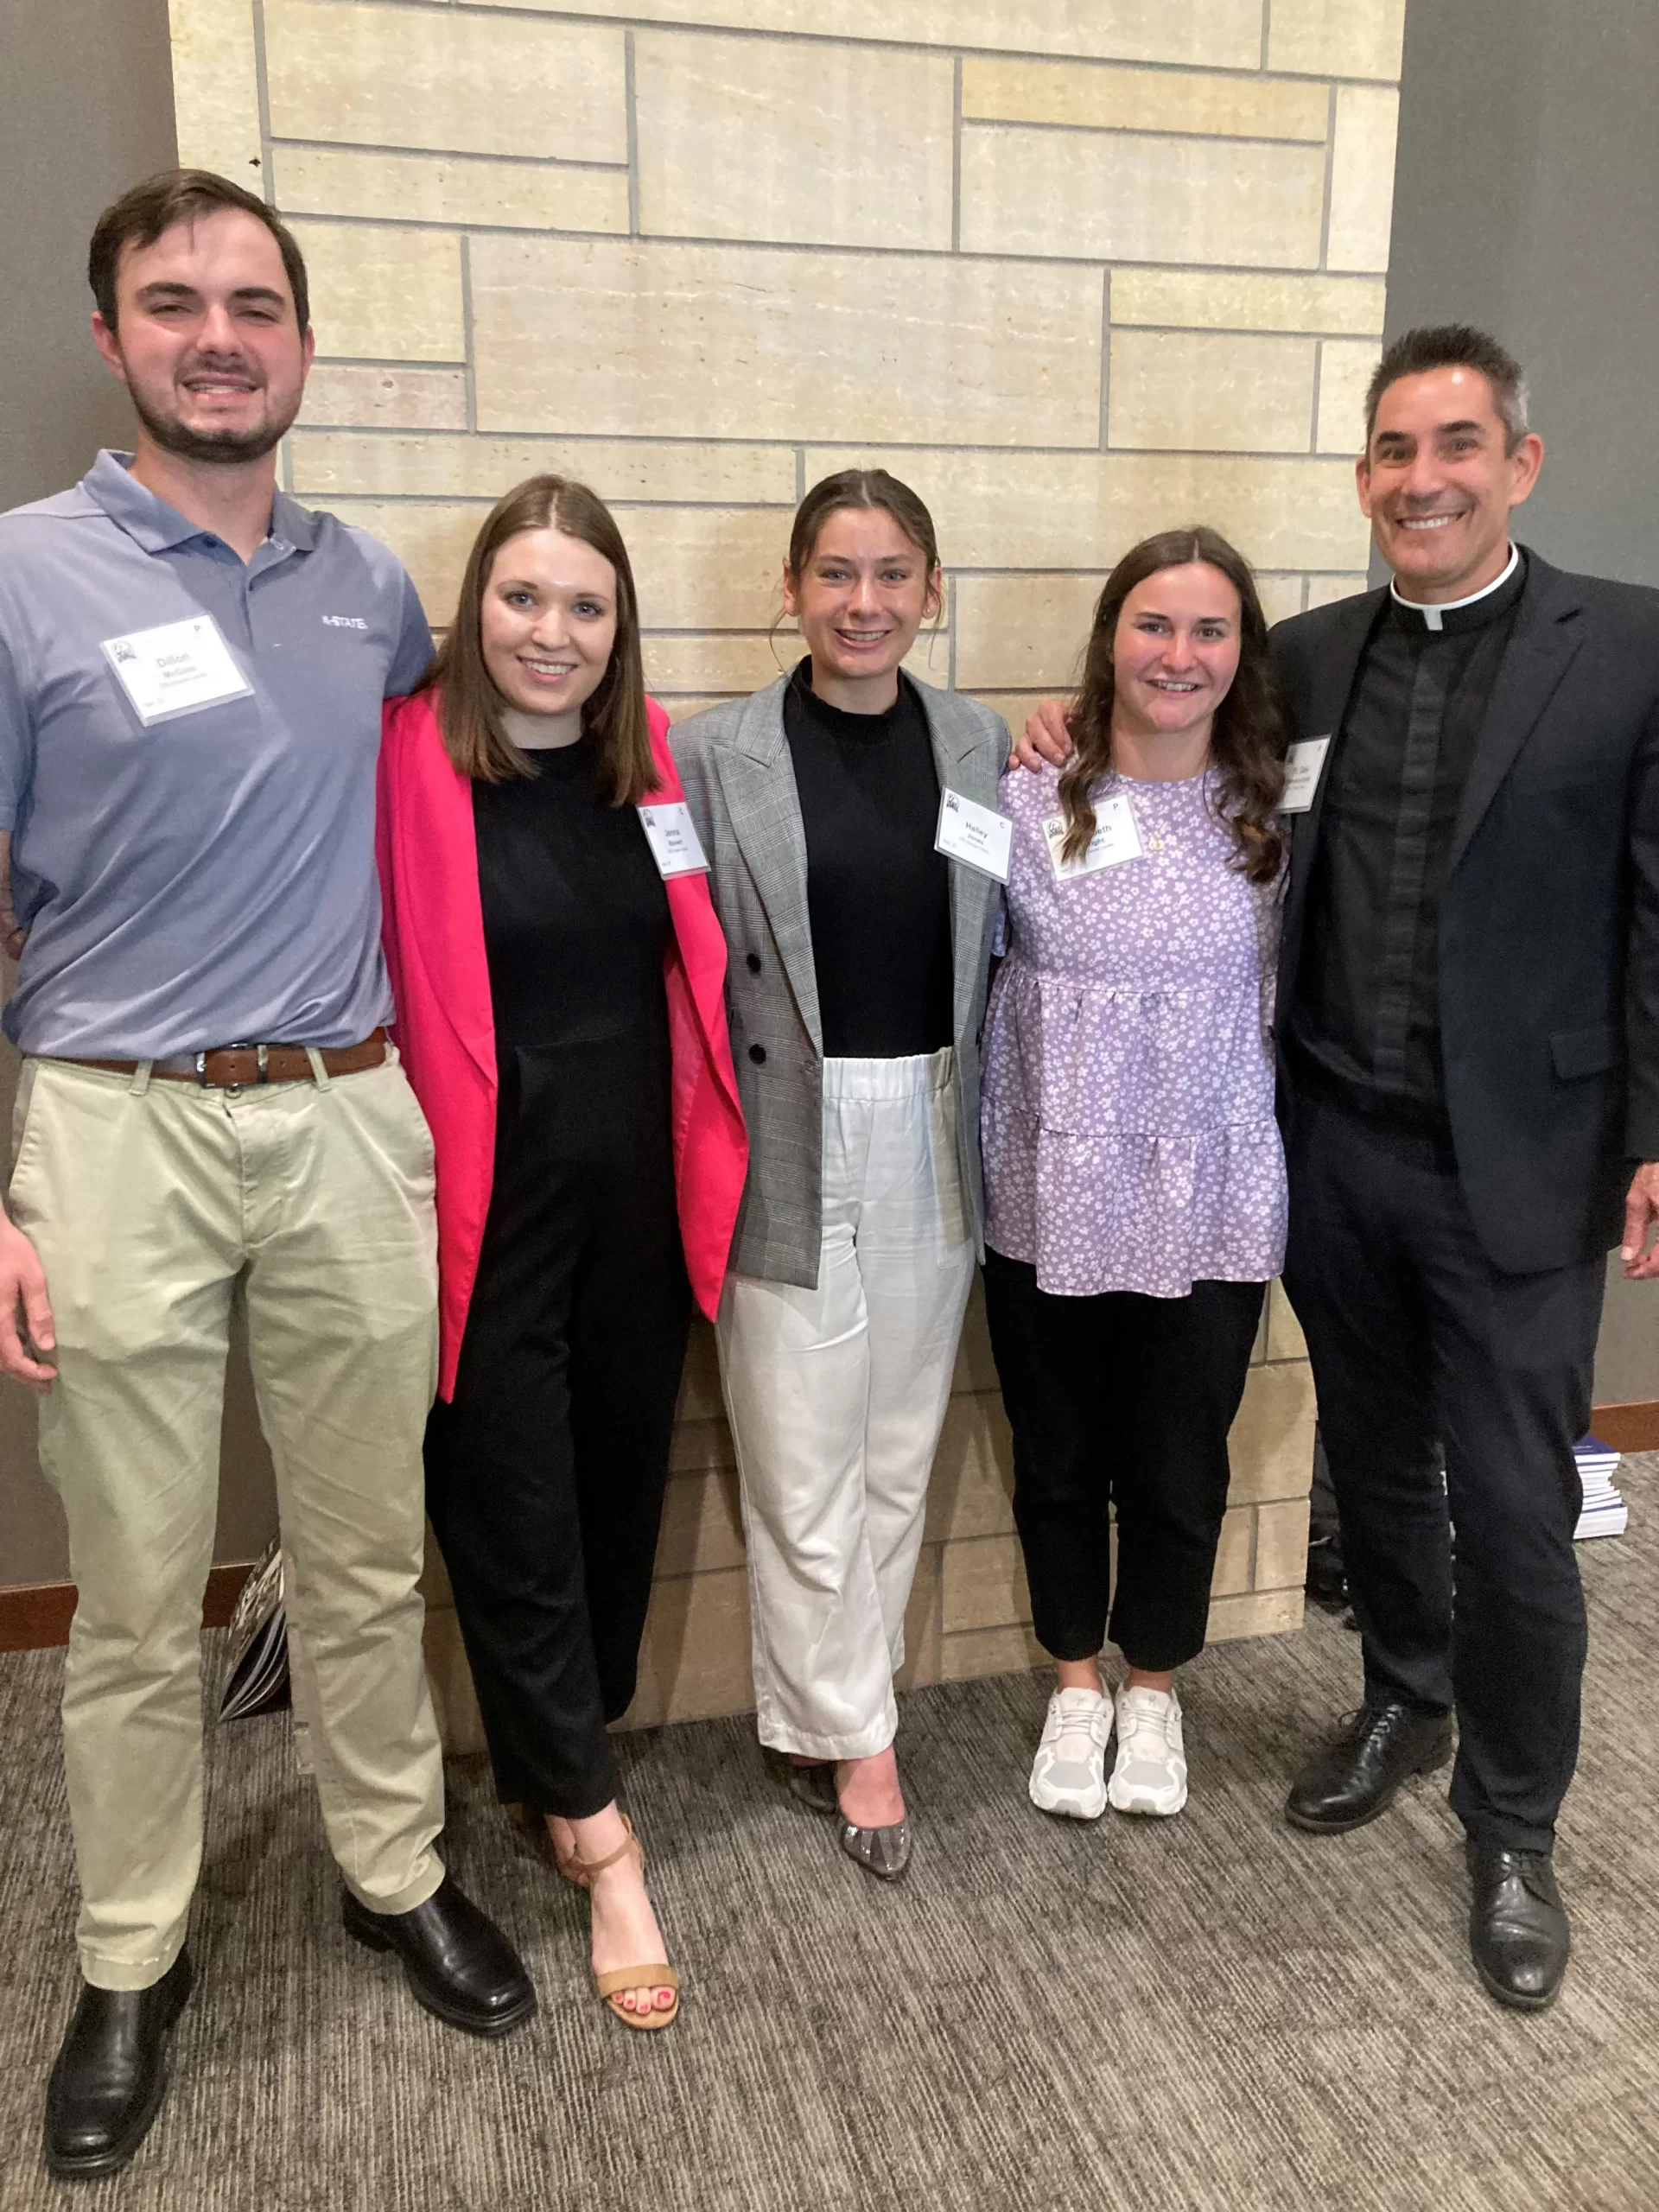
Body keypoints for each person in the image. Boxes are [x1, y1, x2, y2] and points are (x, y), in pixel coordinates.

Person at [1018, 326, 1659, 2012]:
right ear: (1365, 475)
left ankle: (1511, 1823)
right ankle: (1405, 1690)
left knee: (1519, 1506)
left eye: (1455, 444)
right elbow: (1164, 725)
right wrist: (1055, 722)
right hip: (1335, 1143)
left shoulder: (1632, 650)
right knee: (1375, 1466)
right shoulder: (1302, 652)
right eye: (1391, 448)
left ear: (1517, 461)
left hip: (1521, 1162)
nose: (1420, 477)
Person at [0, 170, 532, 2182]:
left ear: (302, 342)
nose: (217, 334)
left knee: (366, 1548)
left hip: (341, 1114)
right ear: (112, 331)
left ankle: (389, 1868)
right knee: (136, 1592)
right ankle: (129, 1953)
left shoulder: (369, 588)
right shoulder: (24, 574)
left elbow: (467, 796)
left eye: (253, 303)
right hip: (113, 1123)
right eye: (172, 300)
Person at [376, 475, 747, 2030]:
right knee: (508, 1497)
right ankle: (604, 1849)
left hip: (637, 1209)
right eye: (524, 599)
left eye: (585, 606)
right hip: (481, 1210)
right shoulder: (401, 758)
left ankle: (555, 1764)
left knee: (609, 1493)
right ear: (475, 613)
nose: (553, 631)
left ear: (620, 631)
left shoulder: (645, 766)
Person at [674, 472, 1007, 1880]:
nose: (862, 604)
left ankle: (834, 1711)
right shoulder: (709, 755)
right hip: (783, 1127)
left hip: (932, 1117)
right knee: (798, 1448)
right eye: (834, 573)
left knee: (894, 1446)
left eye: (892, 575)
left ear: (932, 590)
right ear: (793, 587)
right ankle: (859, 1732)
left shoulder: (984, 744)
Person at [981, 529, 1287, 1824]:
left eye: (1208, 630)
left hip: (1209, 1187)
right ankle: (1074, 1681)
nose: (1178, 654)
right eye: (1153, 625)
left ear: (1240, 655)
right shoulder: (1020, 801)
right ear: (1111, 639)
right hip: (1044, 1179)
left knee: (1178, 1457)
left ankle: (1153, 1686)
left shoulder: (1279, 817)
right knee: (1055, 1453)